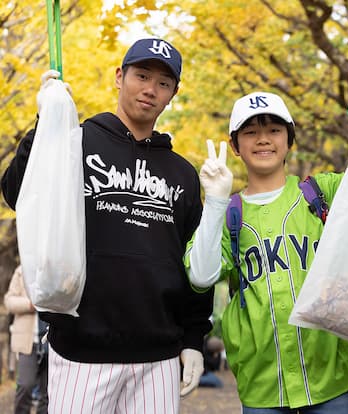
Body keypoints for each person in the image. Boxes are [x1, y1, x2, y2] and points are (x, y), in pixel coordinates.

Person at [1, 37, 214, 413]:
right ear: (120, 76)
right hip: (80, 347)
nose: (150, 89)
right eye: (142, 75)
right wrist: (45, 123)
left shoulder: (182, 173)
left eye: (163, 83)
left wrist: (194, 339)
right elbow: (18, 193)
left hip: (158, 355)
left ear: (173, 94)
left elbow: (192, 263)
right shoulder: (75, 141)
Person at [184, 84, 348, 412]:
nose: (263, 139)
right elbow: (201, 276)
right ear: (234, 145)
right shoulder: (229, 213)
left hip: (331, 374)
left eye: (274, 129)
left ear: (289, 140)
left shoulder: (320, 193)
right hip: (263, 383)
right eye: (251, 131)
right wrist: (215, 199)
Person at [4, 265, 49, 414]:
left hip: (51, 341)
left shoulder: (56, 268)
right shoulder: (21, 270)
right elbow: (9, 300)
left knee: (47, 394)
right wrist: (30, 304)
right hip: (28, 342)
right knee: (25, 386)